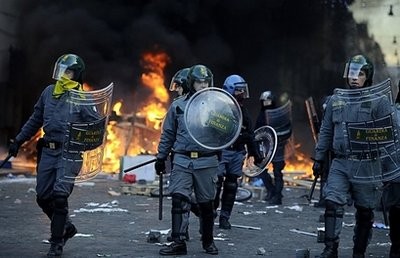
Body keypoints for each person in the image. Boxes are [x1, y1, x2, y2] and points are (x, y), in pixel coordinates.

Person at [8, 54, 101, 257]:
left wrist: (83, 141)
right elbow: (35, 119)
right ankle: (66, 227)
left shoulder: (83, 98)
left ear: (77, 74)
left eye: (68, 71)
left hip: (70, 153)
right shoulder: (49, 92)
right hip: (48, 151)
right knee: (43, 197)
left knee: (60, 196)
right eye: (62, 71)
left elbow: (96, 129)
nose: (64, 75)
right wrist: (18, 141)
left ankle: (56, 243)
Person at [312, 54, 394, 258]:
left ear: (368, 76)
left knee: (365, 212)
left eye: (360, 73)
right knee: (332, 203)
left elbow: (391, 134)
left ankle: (359, 252)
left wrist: (388, 167)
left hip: (368, 164)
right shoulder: (335, 100)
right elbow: (326, 131)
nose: (355, 77)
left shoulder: (379, 102)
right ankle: (330, 249)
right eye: (351, 73)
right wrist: (319, 158)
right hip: (341, 162)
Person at [155, 64, 219, 255]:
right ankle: (178, 242)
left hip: (206, 160)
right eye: (199, 81)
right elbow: (168, 134)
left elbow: (227, 132)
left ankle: (208, 241)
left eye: (206, 81)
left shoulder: (217, 106)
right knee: (179, 199)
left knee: (207, 204)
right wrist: (161, 157)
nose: (203, 85)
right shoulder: (178, 106)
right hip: (182, 160)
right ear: (192, 82)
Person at [214, 74, 262, 229]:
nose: (242, 93)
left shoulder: (244, 112)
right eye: (239, 90)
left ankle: (224, 217)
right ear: (230, 90)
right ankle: (210, 213)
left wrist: (255, 153)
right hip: (222, 151)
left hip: (237, 153)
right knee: (216, 184)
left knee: (232, 186)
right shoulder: (219, 109)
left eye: (243, 90)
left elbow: (250, 135)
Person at [255, 90, 292, 205]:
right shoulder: (261, 115)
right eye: (264, 101)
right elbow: (258, 131)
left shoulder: (279, 115)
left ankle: (277, 196)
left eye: (268, 100)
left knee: (277, 172)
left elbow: (287, 130)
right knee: (261, 171)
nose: (266, 103)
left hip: (278, 147)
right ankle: (271, 191)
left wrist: (279, 139)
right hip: (265, 148)